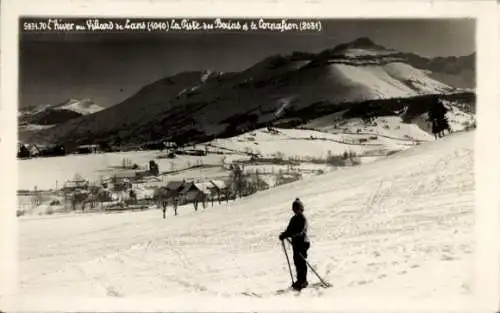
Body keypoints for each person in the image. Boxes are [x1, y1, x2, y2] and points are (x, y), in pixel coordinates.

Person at [279, 198, 310, 290]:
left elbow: (300, 231)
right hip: (295, 243)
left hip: (303, 242)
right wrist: (284, 235)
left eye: (297, 208)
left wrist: (287, 234)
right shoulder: (293, 219)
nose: (295, 210)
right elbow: (289, 230)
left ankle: (303, 281)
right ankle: (299, 280)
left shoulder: (302, 219)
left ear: (301, 208)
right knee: (297, 261)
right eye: (294, 208)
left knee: (301, 261)